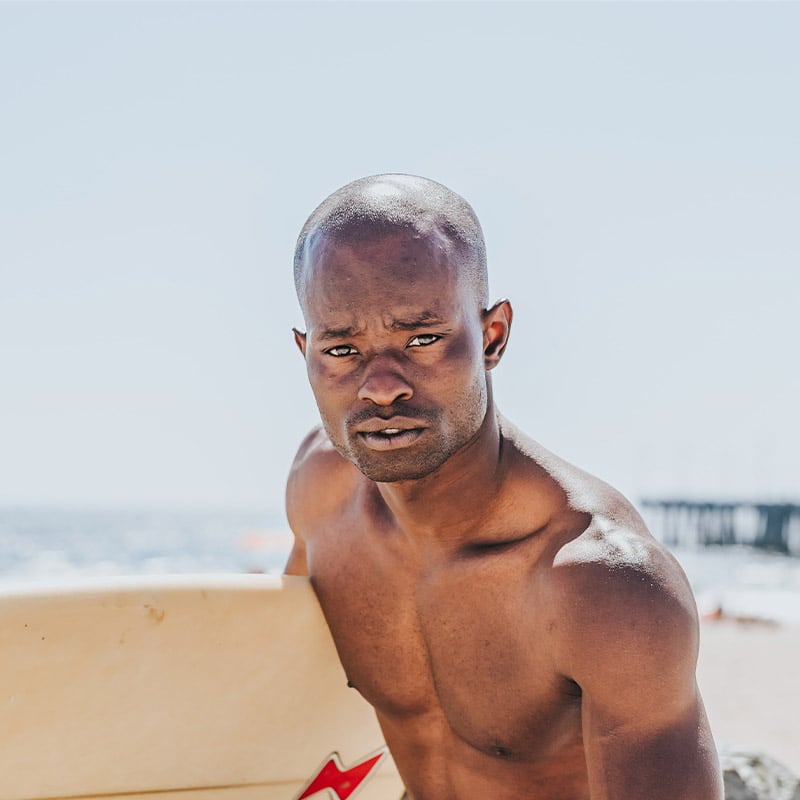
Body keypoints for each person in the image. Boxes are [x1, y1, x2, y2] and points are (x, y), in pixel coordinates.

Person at [285, 174, 722, 800]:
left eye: (422, 339)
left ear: (492, 337)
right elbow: (281, 693)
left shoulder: (602, 586)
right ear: (305, 354)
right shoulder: (319, 493)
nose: (381, 387)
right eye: (341, 350)